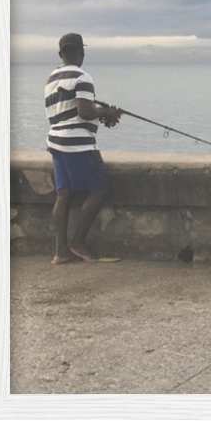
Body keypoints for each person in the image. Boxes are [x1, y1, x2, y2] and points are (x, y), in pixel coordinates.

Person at [44, 34, 124, 264]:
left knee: (64, 194)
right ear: (82, 53)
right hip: (77, 144)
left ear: (61, 54)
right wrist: (105, 113)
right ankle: (78, 242)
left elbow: (66, 112)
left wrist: (99, 112)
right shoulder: (82, 76)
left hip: (56, 142)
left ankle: (61, 251)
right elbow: (85, 112)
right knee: (99, 188)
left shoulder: (51, 78)